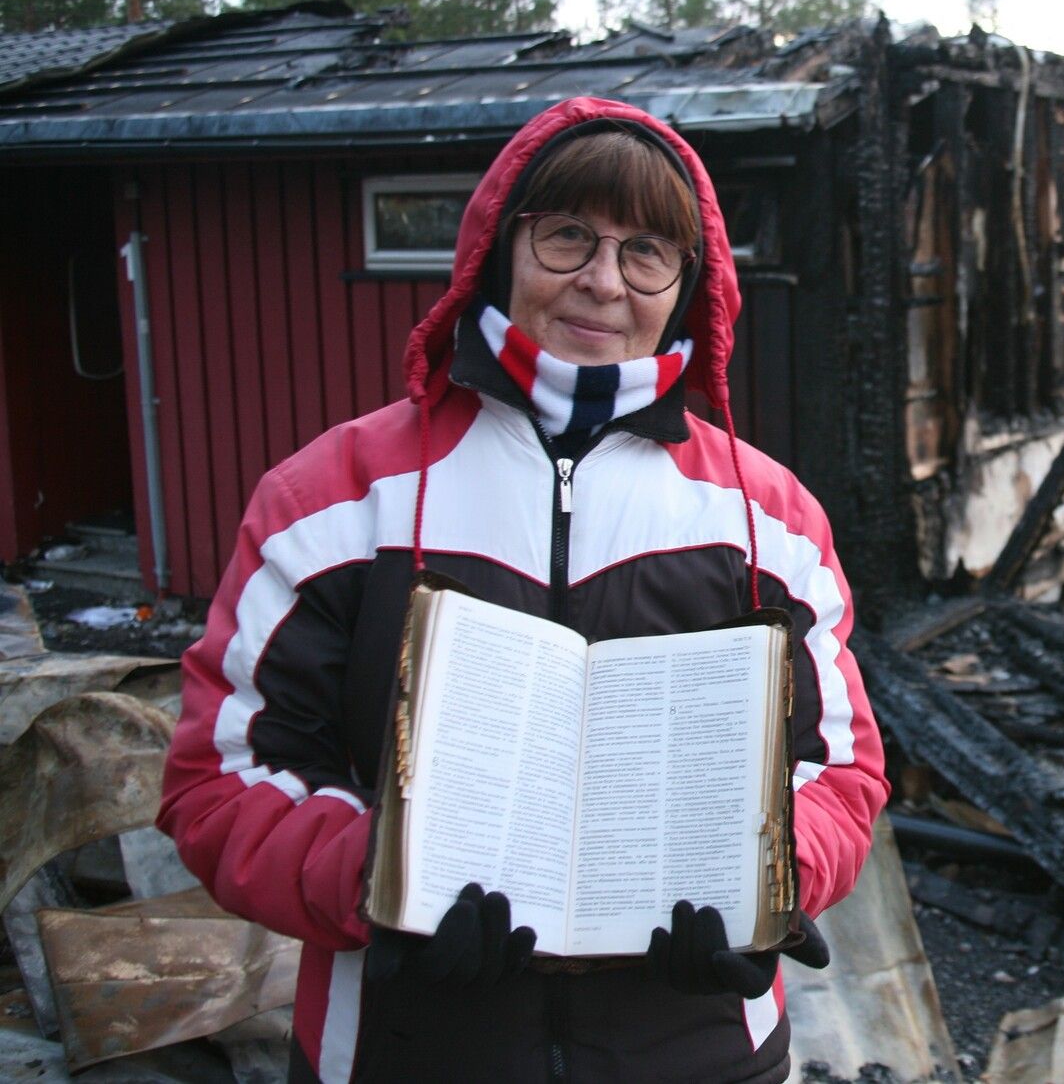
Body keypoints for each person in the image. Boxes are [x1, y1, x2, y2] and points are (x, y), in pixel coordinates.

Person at [157, 97, 888, 1083]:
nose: (602, 280)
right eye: (568, 237)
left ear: (688, 285)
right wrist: (374, 875)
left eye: (645, 252)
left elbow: (839, 775)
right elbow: (217, 782)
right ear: (501, 246)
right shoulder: (333, 499)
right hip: (400, 1051)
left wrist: (771, 876)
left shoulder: (768, 517)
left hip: (700, 1051)